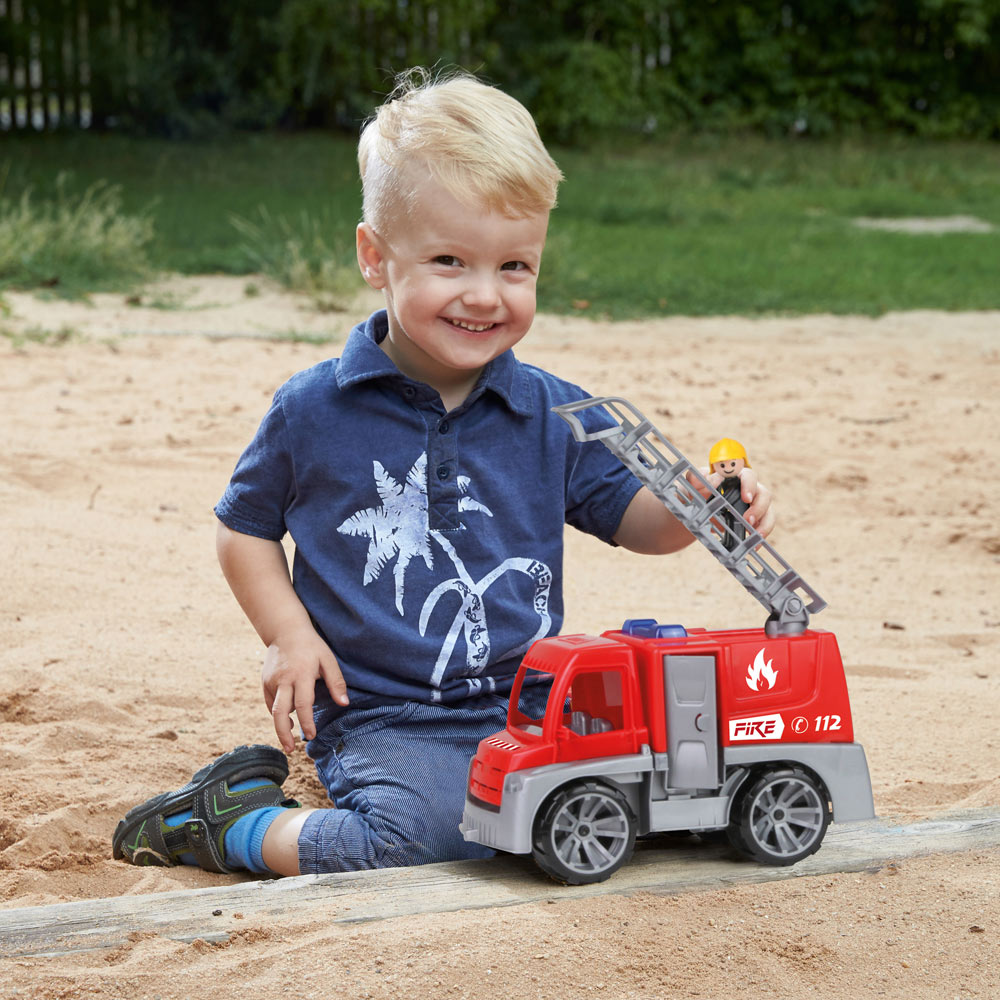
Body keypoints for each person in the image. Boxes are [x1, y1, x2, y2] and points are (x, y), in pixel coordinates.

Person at [112, 69, 774, 878]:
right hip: (383, 714)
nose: (485, 295)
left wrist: (702, 507)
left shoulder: (550, 411)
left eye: (515, 266)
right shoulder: (315, 409)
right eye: (450, 261)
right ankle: (232, 826)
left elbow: (641, 522)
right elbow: (243, 529)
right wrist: (288, 636)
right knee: (426, 842)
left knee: (639, 799)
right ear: (375, 257)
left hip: (535, 704)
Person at [708, 438, 753, 552]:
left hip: (738, 510)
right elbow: (718, 494)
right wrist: (709, 503)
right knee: (729, 525)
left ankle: (736, 546)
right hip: (730, 510)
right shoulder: (725, 483)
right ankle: (728, 543)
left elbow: (731, 496)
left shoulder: (736, 482)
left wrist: (719, 507)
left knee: (736, 527)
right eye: (722, 465)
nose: (728, 468)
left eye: (733, 464)